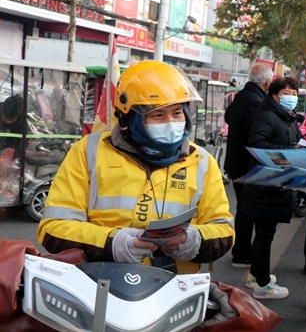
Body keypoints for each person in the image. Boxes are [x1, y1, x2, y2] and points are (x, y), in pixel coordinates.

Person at [37, 61, 235, 274]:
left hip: (176, 289)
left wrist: (193, 240)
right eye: (158, 115)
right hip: (100, 282)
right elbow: (53, 229)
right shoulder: (88, 151)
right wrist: (112, 243)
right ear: (129, 119)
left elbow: (223, 230)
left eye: (177, 113)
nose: (170, 123)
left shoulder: (202, 161)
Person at [241, 76, 302, 299]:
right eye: (288, 93)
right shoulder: (267, 115)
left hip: (276, 184)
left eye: (295, 94)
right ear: (276, 95)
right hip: (265, 186)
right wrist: (289, 150)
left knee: (265, 235)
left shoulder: (286, 118)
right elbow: (257, 145)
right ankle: (263, 286)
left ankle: (255, 276)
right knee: (264, 236)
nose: (292, 98)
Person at [224, 64, 273, 267]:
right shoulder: (255, 100)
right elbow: (257, 133)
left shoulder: (243, 95)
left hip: (237, 162)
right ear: (267, 82)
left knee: (244, 208)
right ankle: (241, 254)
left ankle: (241, 251)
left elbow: (228, 118)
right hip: (246, 164)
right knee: (247, 210)